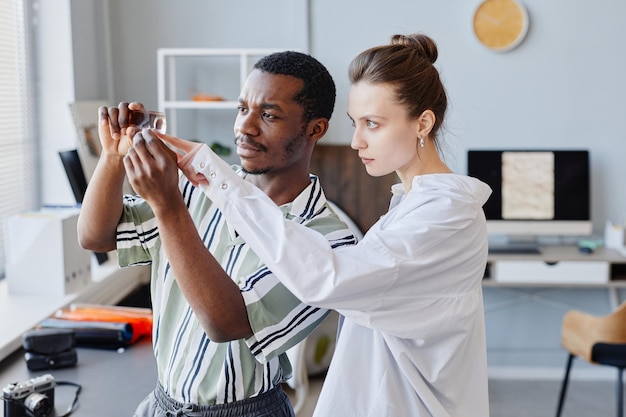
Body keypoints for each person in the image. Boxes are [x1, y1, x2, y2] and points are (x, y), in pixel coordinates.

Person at [151, 33, 493, 416]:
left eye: (372, 124)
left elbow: (327, 278)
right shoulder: (410, 207)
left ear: (422, 123)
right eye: (354, 123)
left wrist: (214, 177)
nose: (356, 141)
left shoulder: (447, 216)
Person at [77, 51, 357, 417]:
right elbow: (96, 237)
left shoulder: (330, 241)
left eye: (269, 115)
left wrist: (168, 206)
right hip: (161, 404)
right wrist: (113, 157)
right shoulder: (198, 186)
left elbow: (227, 323)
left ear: (315, 129)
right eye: (243, 109)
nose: (245, 127)